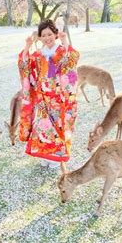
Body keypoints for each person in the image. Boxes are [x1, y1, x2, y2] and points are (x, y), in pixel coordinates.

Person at [18, 19, 80, 169]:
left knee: (57, 128)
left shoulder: (61, 50)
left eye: (50, 34)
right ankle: (44, 155)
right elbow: (24, 65)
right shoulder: (38, 54)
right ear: (39, 37)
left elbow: (72, 60)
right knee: (41, 128)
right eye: (43, 35)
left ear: (56, 34)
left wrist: (65, 41)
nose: (47, 38)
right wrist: (27, 45)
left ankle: (55, 157)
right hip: (41, 96)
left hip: (58, 98)